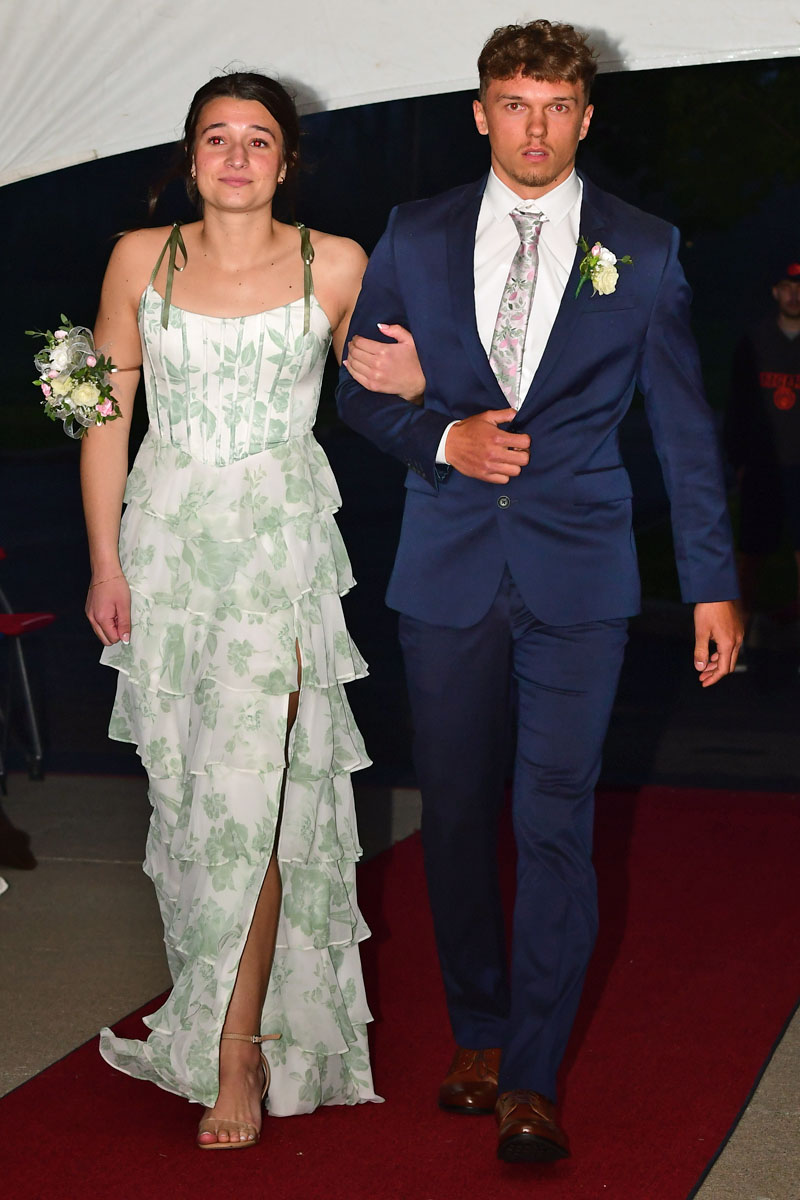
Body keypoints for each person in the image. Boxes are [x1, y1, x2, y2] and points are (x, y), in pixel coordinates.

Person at [337, 20, 742, 1164]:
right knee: (456, 817)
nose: (533, 126)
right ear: (479, 112)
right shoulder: (413, 236)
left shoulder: (644, 247)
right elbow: (361, 393)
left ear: (584, 117)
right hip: (448, 565)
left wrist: (711, 582)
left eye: (554, 107)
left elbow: (681, 428)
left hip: (582, 573)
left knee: (552, 821)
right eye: (512, 103)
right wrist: (439, 435)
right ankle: (474, 1027)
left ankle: (530, 1074)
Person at [81, 71, 383, 1150]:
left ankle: (237, 1050)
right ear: (191, 153)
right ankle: (210, 1006)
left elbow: (394, 385)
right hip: (165, 549)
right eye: (218, 137)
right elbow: (105, 415)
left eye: (259, 139)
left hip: (277, 552)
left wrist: (422, 385)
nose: (238, 155)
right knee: (187, 799)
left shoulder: (336, 262)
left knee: (254, 796)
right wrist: (105, 562)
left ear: (287, 158)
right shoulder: (138, 257)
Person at [724, 261, 800, 628]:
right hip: (762, 464)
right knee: (750, 554)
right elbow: (737, 405)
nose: (794, 294)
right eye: (787, 286)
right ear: (775, 292)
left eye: (799, 287)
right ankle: (738, 632)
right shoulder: (755, 341)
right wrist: (737, 459)